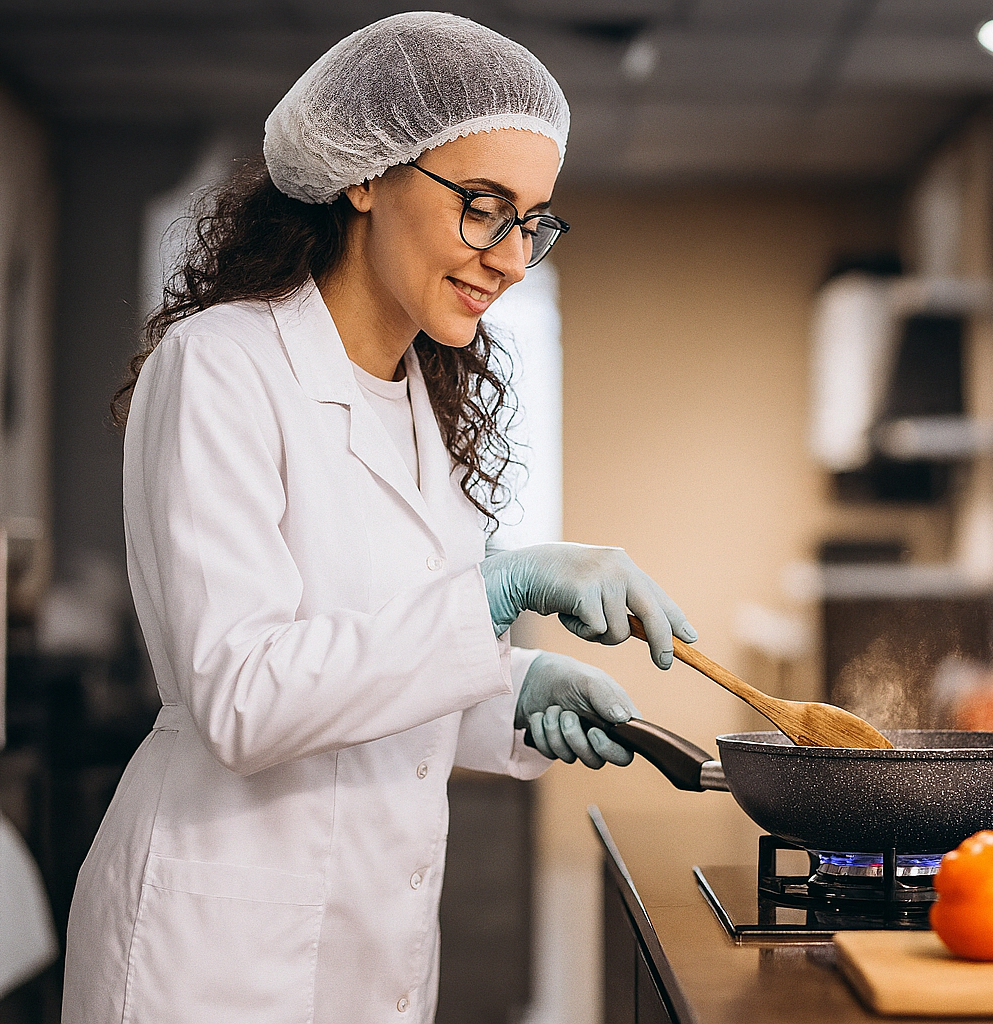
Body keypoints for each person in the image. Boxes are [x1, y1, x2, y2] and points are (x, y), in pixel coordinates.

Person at [61, 13, 694, 1023]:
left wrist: (514, 689)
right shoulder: (222, 365)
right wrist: (497, 588)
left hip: (368, 948)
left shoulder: (414, 401)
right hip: (217, 953)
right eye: (484, 207)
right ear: (365, 173)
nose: (511, 256)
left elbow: (376, 671)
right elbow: (245, 696)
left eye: (532, 220)